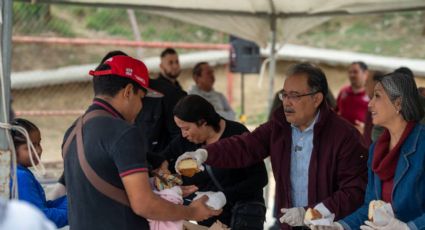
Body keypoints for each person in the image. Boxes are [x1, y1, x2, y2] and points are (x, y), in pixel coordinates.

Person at [176, 63, 368, 230]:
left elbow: (354, 189)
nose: (286, 102)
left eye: (294, 95)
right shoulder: (280, 126)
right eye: (284, 95)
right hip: (289, 223)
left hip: (327, 224)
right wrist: (203, 154)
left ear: (316, 99)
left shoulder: (344, 136)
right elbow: (245, 146)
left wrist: (313, 213)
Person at [62, 55, 220, 229]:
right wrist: (192, 212)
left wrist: (165, 189)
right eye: (141, 98)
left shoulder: (72, 132)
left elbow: (102, 191)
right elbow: (144, 204)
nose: (141, 106)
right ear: (128, 91)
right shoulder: (124, 133)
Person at [319, 71, 425, 230]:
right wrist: (340, 226)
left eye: (378, 96)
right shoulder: (377, 149)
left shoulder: (422, 144)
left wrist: (409, 228)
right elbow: (369, 207)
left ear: (398, 103)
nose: (370, 103)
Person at [155, 95, 267, 227]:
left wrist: (223, 196)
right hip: (209, 220)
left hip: (243, 216)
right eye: (180, 129)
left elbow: (260, 178)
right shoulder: (185, 141)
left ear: (203, 122)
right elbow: (163, 157)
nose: (183, 134)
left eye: (186, 128)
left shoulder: (237, 135)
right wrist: (164, 168)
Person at [10, 118, 68, 228]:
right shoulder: (20, 176)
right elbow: (41, 217)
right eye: (30, 147)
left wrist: (74, 199)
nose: (38, 150)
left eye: (38, 144)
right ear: (11, 149)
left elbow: (41, 207)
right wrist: (76, 211)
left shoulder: (17, 172)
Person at [136, 48, 187, 154]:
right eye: (170, 62)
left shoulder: (178, 89)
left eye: (176, 62)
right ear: (161, 66)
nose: (175, 65)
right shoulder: (155, 92)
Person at [336, 61, 370, 131]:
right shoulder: (343, 91)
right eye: (350, 72)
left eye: (355, 72)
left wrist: (365, 128)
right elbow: (336, 110)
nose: (352, 75)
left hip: (361, 137)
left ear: (365, 74)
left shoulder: (371, 94)